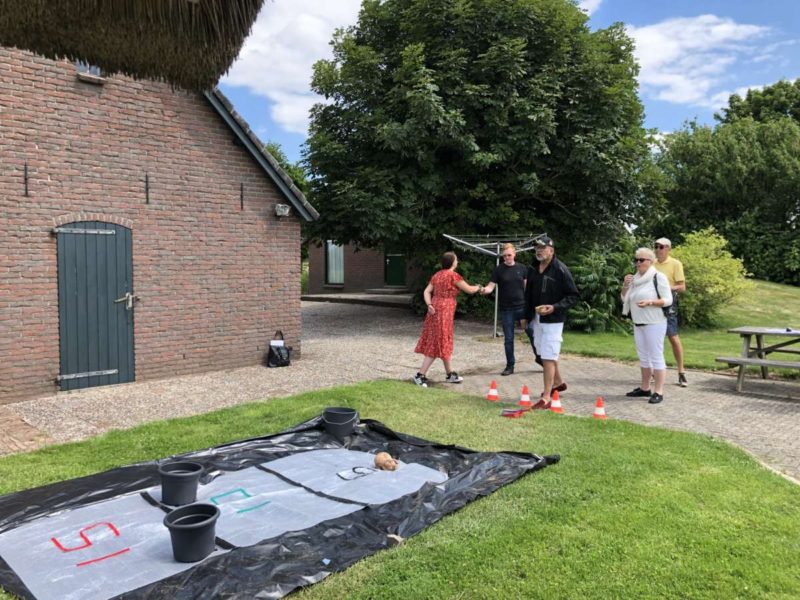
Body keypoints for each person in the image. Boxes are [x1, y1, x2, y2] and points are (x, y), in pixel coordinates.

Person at [521, 236, 579, 409]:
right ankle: (558, 382)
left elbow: (573, 296)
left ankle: (546, 397)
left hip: (554, 320)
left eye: (542, 248)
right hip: (537, 318)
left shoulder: (560, 269)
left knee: (548, 356)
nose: (539, 251)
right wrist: (525, 316)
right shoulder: (532, 268)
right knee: (544, 353)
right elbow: (528, 295)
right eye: (537, 248)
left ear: (551, 250)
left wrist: (554, 307)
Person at [413, 251, 482, 387]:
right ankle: (420, 375)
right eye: (456, 260)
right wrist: (479, 287)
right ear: (452, 262)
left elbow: (426, 291)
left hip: (435, 310)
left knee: (443, 340)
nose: (457, 261)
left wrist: (429, 305)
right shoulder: (453, 276)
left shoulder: (437, 275)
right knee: (438, 341)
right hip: (444, 312)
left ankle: (450, 374)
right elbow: (469, 289)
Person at [621, 247, 673, 404]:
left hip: (654, 322)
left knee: (656, 356)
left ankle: (659, 391)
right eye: (636, 260)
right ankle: (645, 388)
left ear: (650, 262)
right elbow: (624, 299)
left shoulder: (658, 277)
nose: (638, 263)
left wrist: (650, 302)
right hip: (638, 322)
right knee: (643, 356)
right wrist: (625, 285)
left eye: (641, 260)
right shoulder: (635, 279)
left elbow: (668, 300)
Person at [479, 243, 539, 376]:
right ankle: (510, 366)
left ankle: (540, 358)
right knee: (509, 339)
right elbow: (490, 287)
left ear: (514, 254)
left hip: (522, 307)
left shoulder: (522, 268)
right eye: (505, 256)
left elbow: (527, 289)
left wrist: (531, 304)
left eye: (509, 255)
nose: (507, 257)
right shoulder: (499, 270)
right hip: (507, 310)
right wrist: (484, 290)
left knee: (532, 333)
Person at [653, 238, 688, 387]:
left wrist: (666, 288)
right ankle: (655, 372)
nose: (658, 249)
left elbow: (682, 287)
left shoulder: (675, 264)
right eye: (656, 246)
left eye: (661, 247)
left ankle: (681, 372)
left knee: (673, 337)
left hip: (668, 304)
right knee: (654, 338)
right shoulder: (651, 263)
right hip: (653, 303)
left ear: (668, 249)